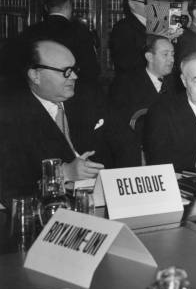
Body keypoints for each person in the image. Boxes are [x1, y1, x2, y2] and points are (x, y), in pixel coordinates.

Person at [0, 40, 140, 202]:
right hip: (52, 208)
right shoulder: (10, 116)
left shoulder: (89, 95)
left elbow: (127, 142)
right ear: (35, 75)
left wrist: (122, 191)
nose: (74, 76)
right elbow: (11, 189)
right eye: (65, 71)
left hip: (107, 198)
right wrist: (63, 174)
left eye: (74, 69)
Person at [1, 0, 100, 85]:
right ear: (69, 5)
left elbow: (11, 66)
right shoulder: (80, 32)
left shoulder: (30, 31)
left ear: (46, 7)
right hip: (73, 91)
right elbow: (91, 70)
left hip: (38, 92)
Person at [109, 0, 182, 75]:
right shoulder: (122, 27)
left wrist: (172, 39)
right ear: (132, 4)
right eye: (146, 1)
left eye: (152, 0)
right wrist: (157, 41)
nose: (151, 4)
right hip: (137, 83)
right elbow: (125, 62)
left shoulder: (160, 22)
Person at [109, 34, 177, 125]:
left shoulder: (178, 82)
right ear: (149, 57)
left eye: (172, 54)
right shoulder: (125, 84)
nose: (172, 59)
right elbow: (117, 124)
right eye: (165, 54)